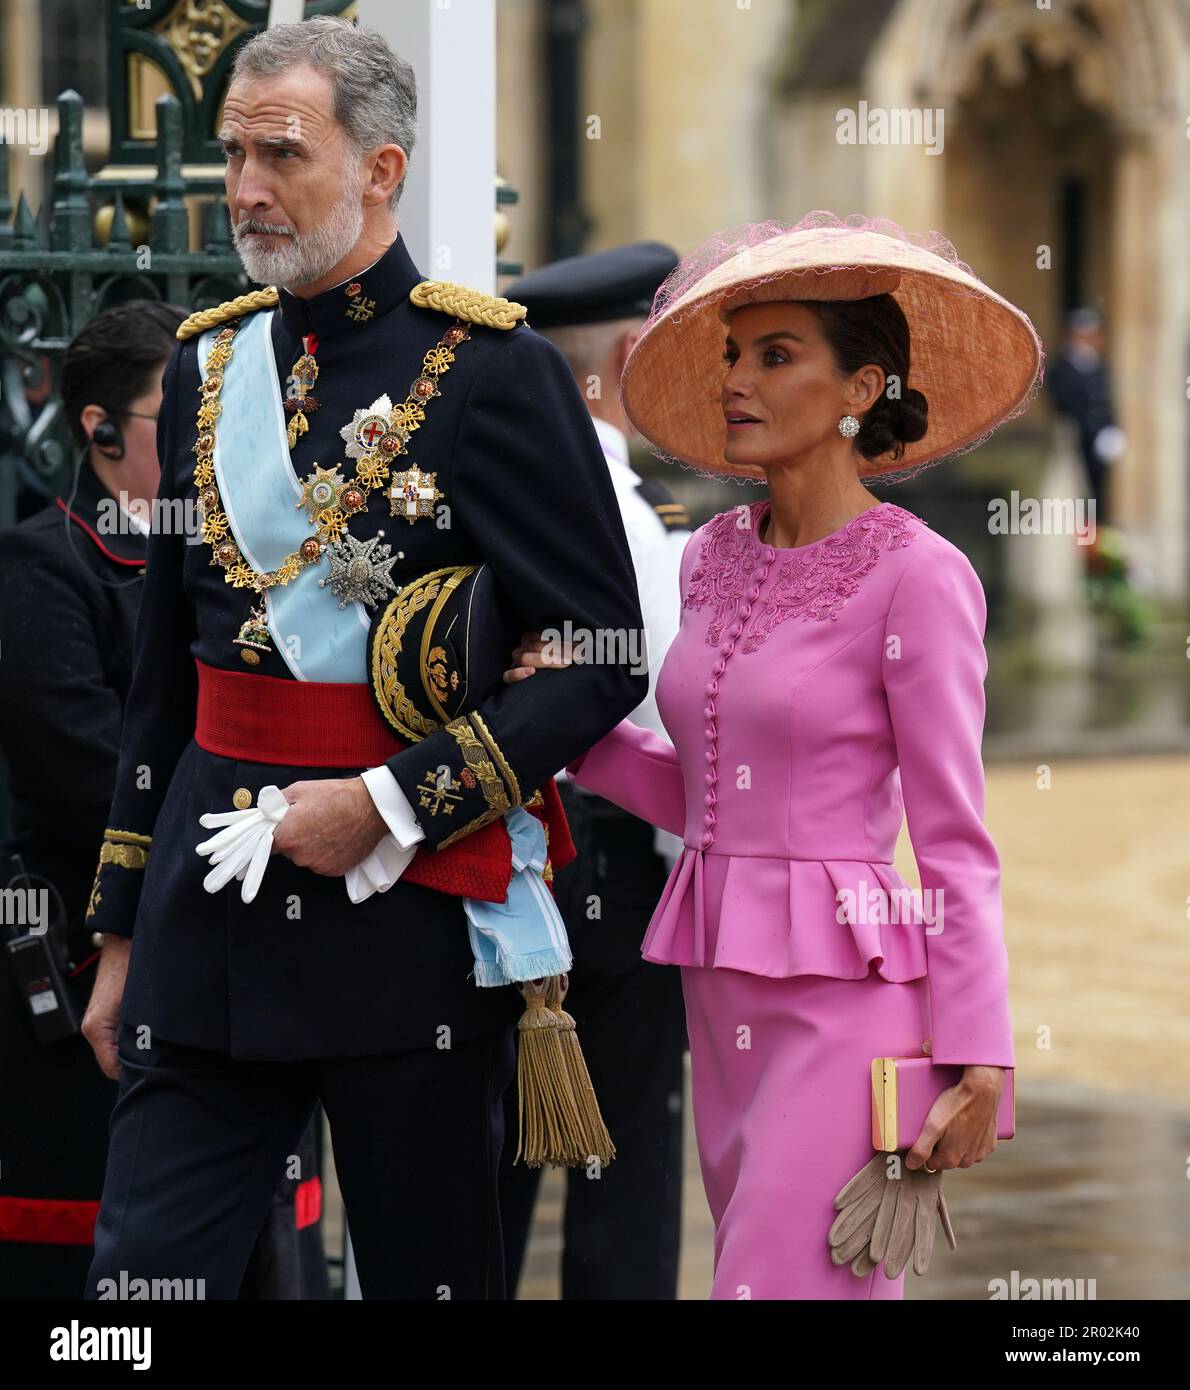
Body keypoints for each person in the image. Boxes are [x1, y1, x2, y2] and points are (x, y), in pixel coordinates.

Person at [81, 16, 645, 1301]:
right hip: (206, 913)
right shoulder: (207, 358)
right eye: (231, 155)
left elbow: (600, 654)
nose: (244, 190)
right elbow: (166, 685)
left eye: (281, 154)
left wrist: (394, 801)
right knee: (133, 1293)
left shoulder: (492, 371)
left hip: (403, 923)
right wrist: (117, 933)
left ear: (382, 168)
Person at [505, 212, 1040, 1299]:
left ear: (859, 389)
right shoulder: (707, 556)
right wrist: (563, 730)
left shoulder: (918, 577)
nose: (736, 380)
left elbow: (951, 838)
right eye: (732, 355)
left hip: (847, 1004)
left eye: (775, 355)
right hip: (719, 986)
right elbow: (697, 792)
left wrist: (979, 1053)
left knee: (772, 1282)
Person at [0, 301, 328, 1299]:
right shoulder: (40, 567)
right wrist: (272, 813)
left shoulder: (253, 567)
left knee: (272, 1248)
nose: (207, 444)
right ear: (99, 431)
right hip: (105, 961)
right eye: (175, 418)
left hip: (259, 948)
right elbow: (90, 776)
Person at [498, 243, 690, 1299]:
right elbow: (671, 701)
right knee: (623, 1180)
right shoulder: (627, 510)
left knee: (492, 1167)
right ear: (627, 353)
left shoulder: (491, 485)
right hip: (609, 862)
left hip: (491, 852)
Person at [1046, 306, 1123, 524]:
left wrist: (1111, 428)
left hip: (1099, 444)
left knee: (1097, 495)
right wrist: (1091, 432)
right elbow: (1067, 402)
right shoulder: (1062, 367)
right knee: (1078, 494)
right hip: (1078, 441)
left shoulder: (1096, 365)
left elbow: (1105, 401)